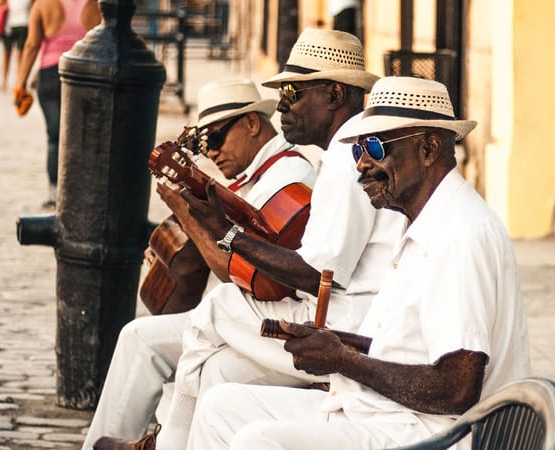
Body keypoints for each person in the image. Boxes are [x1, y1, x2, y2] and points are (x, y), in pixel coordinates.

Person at [185, 76, 531, 449]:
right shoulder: (421, 220)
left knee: (258, 441)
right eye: (357, 151)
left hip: (432, 432)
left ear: (428, 148)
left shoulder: (459, 236)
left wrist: (343, 360)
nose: (362, 164)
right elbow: (406, 345)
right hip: (386, 412)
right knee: (220, 406)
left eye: (376, 147)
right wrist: (334, 346)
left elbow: (457, 388)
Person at [149, 28, 407, 450]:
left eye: (293, 90)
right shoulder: (343, 151)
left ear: (334, 95)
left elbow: (318, 275)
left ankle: (165, 444)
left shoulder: (348, 155)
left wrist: (226, 233)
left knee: (215, 308)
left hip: (346, 328)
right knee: (217, 371)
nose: (282, 104)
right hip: (346, 312)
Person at [84, 79, 318, 450]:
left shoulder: (287, 178)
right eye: (203, 145)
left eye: (217, 139)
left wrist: (184, 213)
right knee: (149, 339)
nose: (212, 153)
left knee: (142, 341)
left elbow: (243, 272)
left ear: (252, 124)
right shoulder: (253, 177)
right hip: (246, 314)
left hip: (271, 316)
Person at [13, 0, 100, 209]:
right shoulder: (95, 4)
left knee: (55, 137)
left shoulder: (43, 4)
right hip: (85, 73)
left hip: (51, 73)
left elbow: (32, 44)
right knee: (85, 137)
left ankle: (54, 194)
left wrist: (20, 84)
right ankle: (82, 190)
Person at [0, 0, 32, 91]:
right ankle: (4, 81)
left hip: (23, 23)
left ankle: (18, 82)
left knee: (20, 56)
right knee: (7, 54)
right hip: (8, 25)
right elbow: (0, 3)